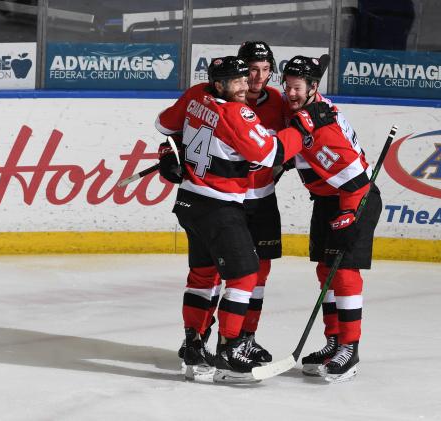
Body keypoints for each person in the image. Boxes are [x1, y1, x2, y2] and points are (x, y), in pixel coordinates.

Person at [154, 56, 336, 383]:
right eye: (235, 81)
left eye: (244, 79)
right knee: (245, 275)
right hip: (219, 207)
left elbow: (164, 126)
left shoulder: (197, 94)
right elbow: (271, 154)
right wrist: (305, 125)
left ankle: (194, 346)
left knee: (202, 274)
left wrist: (169, 152)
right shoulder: (237, 112)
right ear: (220, 84)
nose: (243, 86)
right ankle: (229, 350)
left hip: (188, 201)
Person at [280, 55, 383, 382]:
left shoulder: (323, 129)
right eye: (288, 86)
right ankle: (333, 342)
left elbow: (356, 182)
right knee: (327, 271)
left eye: (297, 88)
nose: (290, 93)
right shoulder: (303, 114)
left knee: (344, 272)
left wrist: (350, 214)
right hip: (328, 200)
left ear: (313, 88)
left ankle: (349, 350)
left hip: (356, 198)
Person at [234, 41, 287, 363]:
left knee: (260, 272)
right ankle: (211, 337)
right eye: (253, 69)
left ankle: (247, 337)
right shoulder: (227, 100)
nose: (259, 76)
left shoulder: (278, 101)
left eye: (265, 70)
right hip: (229, 200)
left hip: (263, 199)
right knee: (219, 271)